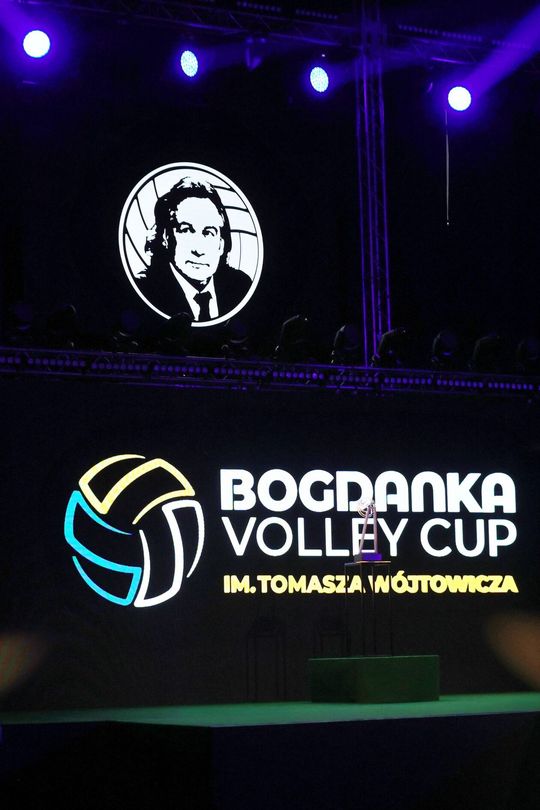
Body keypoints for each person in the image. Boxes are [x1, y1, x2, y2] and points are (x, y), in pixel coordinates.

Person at [140, 177, 252, 322]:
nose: (199, 250)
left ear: (221, 244)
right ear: (165, 237)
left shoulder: (241, 286)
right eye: (186, 230)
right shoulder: (146, 288)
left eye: (208, 232)